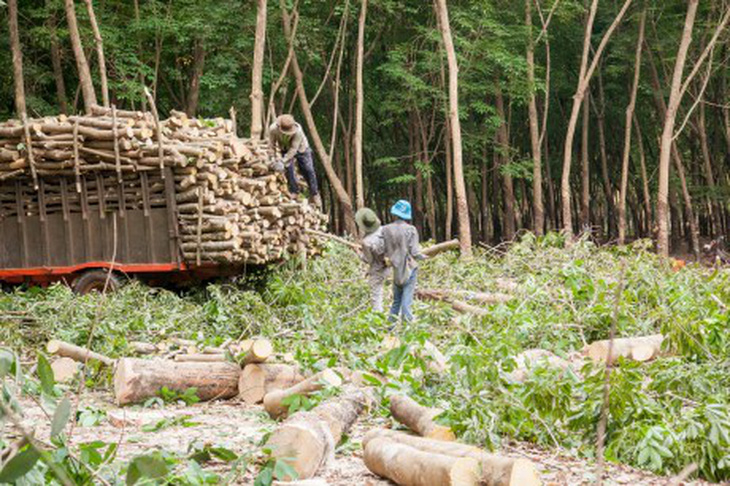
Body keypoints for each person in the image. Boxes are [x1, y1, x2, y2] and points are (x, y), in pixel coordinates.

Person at [382, 200, 426, 324]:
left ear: (395, 213)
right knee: (407, 301)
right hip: (409, 269)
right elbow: (415, 252)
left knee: (396, 301)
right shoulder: (411, 230)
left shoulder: (385, 229)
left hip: (396, 270)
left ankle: (390, 326)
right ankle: (407, 330)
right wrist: (424, 256)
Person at [269, 114, 321, 207]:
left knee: (308, 169)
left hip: (301, 148)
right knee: (289, 169)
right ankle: (294, 191)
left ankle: (314, 193)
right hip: (284, 148)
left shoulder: (298, 132)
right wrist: (273, 159)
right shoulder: (273, 129)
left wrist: (283, 160)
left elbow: (293, 149)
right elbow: (271, 145)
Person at [356, 208, 388, 312]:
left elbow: (369, 260)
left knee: (376, 294)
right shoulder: (385, 230)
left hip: (377, 269)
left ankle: (378, 317)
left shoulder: (366, 242)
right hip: (391, 265)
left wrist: (359, 253)